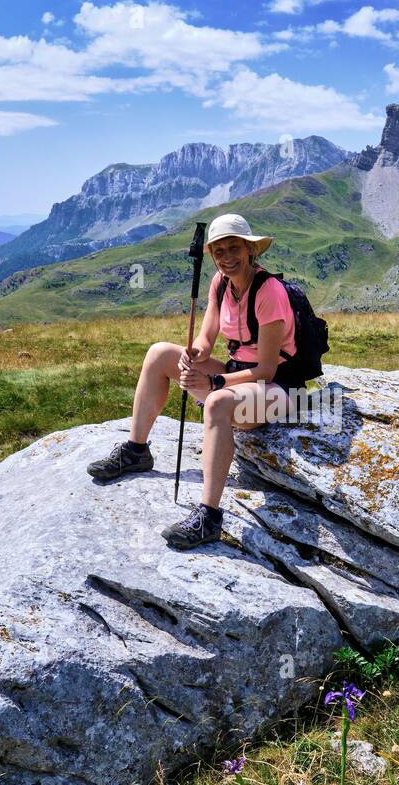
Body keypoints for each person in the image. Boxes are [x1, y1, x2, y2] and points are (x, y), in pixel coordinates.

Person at [85, 213, 297, 549]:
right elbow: (206, 338)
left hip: (277, 391)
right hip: (232, 374)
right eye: (218, 251)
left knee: (217, 402)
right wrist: (193, 354)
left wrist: (217, 381)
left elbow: (267, 369)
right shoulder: (220, 283)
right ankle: (136, 450)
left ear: (250, 249)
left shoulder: (269, 291)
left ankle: (209, 517)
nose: (226, 257)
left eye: (233, 248)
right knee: (159, 353)